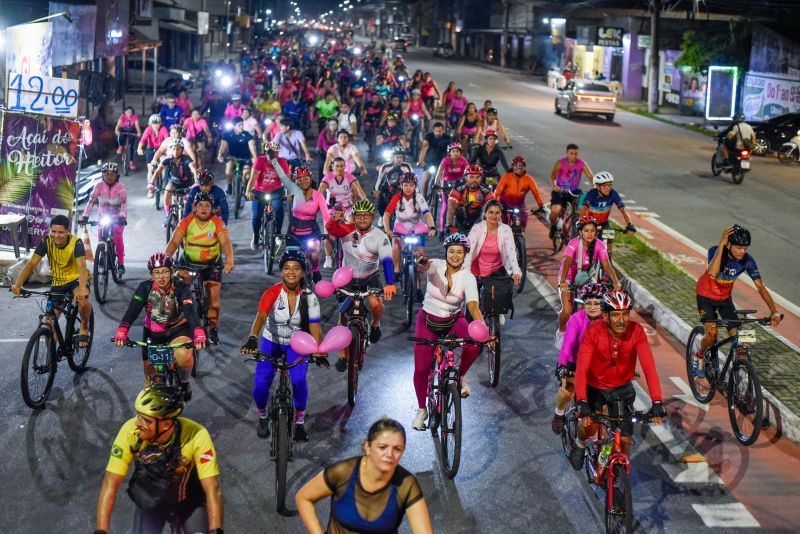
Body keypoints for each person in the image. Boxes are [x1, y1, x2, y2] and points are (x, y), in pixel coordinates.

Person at [94, 384, 223, 534]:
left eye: (146, 420)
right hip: (151, 500)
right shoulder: (130, 431)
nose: (137, 423)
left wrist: (216, 530)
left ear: (166, 424)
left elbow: (212, 489)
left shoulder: (197, 435)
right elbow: (110, 484)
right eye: (138, 415)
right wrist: (101, 531)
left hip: (190, 502)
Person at [569, 291, 665, 470]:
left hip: (622, 388)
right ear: (605, 316)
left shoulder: (637, 331)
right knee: (590, 426)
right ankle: (580, 443)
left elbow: (649, 368)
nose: (621, 320)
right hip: (594, 387)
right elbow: (582, 368)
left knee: (626, 440)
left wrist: (657, 401)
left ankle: (618, 478)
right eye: (615, 315)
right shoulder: (593, 331)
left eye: (625, 314)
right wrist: (582, 400)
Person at [240, 250, 324, 442]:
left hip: (297, 343)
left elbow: (315, 327)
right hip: (271, 342)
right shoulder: (272, 292)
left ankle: (299, 422)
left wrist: (318, 349)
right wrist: (253, 337)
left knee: (299, 381)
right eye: (287, 268)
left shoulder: (310, 297)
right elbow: (261, 316)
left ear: (303, 272)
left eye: (296, 268)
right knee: (260, 385)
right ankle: (262, 415)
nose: (291, 272)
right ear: (281, 272)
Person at [295, 418, 433, 534]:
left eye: (397, 449)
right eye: (382, 447)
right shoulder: (343, 473)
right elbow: (303, 497)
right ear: (367, 447)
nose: (389, 455)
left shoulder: (406, 484)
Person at [412, 234, 488, 430]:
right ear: (446, 252)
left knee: (474, 345)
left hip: (454, 319)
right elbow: (429, 269)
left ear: (465, 256)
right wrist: (423, 263)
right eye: (452, 251)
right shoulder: (436, 264)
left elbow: (472, 305)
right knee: (421, 369)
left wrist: (483, 330)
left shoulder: (468, 277)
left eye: (459, 252)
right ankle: (422, 410)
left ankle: (460, 376)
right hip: (428, 319)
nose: (455, 255)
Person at [691, 225, 782, 377]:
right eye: (739, 247)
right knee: (712, 333)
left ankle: (740, 379)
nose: (742, 251)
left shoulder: (747, 260)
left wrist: (774, 311)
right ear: (729, 244)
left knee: (741, 342)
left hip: (725, 299)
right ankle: (699, 355)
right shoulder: (715, 250)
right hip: (705, 296)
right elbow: (713, 273)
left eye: (745, 248)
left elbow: (761, 287)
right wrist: (721, 244)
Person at [114, 253, 205, 395]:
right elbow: (133, 309)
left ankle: (184, 381)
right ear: (151, 275)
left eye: (164, 272)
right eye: (156, 273)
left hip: (178, 330)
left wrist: (198, 332)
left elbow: (189, 310)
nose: (161, 277)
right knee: (149, 380)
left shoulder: (181, 287)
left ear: (171, 271)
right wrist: (122, 330)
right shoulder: (144, 288)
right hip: (153, 332)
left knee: (184, 357)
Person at [324, 199, 396, 370]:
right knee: (343, 316)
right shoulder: (346, 230)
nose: (362, 219)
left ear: (372, 217)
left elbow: (387, 261)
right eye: (359, 215)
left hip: (369, 277)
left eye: (366, 215)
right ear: (353, 217)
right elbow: (330, 228)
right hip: (346, 278)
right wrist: (334, 218)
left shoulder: (380, 237)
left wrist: (390, 283)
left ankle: (376, 324)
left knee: (375, 303)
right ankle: (343, 355)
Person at [9, 215, 92, 348]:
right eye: (53, 231)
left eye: (61, 232)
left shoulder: (76, 243)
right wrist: (18, 284)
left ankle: (84, 326)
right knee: (49, 324)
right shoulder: (46, 242)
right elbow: (31, 264)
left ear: (68, 232)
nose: (56, 235)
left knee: (83, 299)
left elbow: (82, 267)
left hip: (76, 279)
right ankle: (51, 360)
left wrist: (82, 288)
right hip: (58, 283)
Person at [166, 193, 235, 345]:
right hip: (189, 262)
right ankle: (174, 322)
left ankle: (213, 327)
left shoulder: (217, 222)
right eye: (201, 205)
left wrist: (229, 260)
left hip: (211, 264)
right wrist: (166, 258)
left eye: (207, 205)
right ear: (194, 207)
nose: (204, 208)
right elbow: (174, 242)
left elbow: (226, 243)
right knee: (176, 291)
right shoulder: (186, 221)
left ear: (212, 208)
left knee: (213, 300)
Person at [551, 283, 607, 434]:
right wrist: (563, 366)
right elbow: (567, 345)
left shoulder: (608, 321)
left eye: (597, 303)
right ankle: (559, 412)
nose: (593, 307)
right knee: (568, 391)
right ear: (583, 304)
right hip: (573, 361)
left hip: (596, 363)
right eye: (589, 303)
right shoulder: (576, 319)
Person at [557, 216, 621, 338]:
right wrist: (563, 281)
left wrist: (616, 281)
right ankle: (561, 332)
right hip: (568, 278)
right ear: (580, 232)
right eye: (586, 231)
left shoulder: (600, 245)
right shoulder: (573, 244)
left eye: (592, 230)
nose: (590, 234)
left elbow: (606, 264)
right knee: (567, 310)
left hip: (587, 277)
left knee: (595, 308)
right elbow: (567, 263)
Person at [270, 156, 330, 281]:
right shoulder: (294, 191)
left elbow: (326, 217)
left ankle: (315, 271)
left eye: (306, 178)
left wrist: (327, 233)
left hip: (312, 231)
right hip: (294, 232)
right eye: (299, 180)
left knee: (314, 254)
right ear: (296, 181)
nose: (303, 182)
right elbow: (283, 177)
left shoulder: (318, 195)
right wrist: (274, 161)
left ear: (311, 178)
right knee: (290, 262)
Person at [383, 172, 437, 294]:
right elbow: (386, 215)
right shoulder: (397, 197)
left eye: (411, 185)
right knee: (396, 246)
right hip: (400, 227)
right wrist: (388, 230)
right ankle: (396, 270)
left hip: (417, 228)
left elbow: (427, 214)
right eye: (406, 185)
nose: (408, 188)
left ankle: (417, 288)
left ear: (415, 186)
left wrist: (432, 227)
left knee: (420, 258)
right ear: (401, 186)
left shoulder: (419, 198)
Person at [80, 162, 128, 276]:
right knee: (101, 237)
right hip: (104, 215)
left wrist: (122, 216)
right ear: (102, 175)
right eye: (107, 174)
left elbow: (124, 203)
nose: (109, 177)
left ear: (117, 175)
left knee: (117, 237)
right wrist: (85, 216)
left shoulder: (121, 187)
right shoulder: (98, 186)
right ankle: (101, 254)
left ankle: (120, 263)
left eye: (112, 174)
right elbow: (91, 201)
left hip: (118, 215)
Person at [466, 199, 522, 286]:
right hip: (475, 271)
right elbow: (468, 251)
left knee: (500, 297)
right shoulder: (477, 228)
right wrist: (466, 272)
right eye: (491, 212)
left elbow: (511, 252)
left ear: (500, 214)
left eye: (497, 213)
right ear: (485, 214)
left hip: (496, 270)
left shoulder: (506, 229)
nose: (494, 216)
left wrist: (516, 271)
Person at [247, 142, 290, 250]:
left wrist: (289, 193)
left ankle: (278, 233)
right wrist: (248, 191)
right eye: (270, 154)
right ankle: (256, 236)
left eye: (275, 154)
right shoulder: (259, 160)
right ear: (266, 153)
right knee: (257, 215)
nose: (272, 157)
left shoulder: (282, 162)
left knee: (279, 209)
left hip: (275, 190)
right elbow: (252, 178)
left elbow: (287, 180)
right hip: (259, 191)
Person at [548, 143, 594, 238]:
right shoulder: (560, 163)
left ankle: (580, 229)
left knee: (583, 207)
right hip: (560, 191)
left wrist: (595, 187)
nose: (574, 156)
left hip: (574, 191)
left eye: (576, 153)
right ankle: (553, 226)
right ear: (567, 153)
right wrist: (555, 186)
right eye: (571, 153)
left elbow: (590, 176)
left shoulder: (582, 163)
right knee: (556, 210)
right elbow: (552, 176)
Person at [150, 139, 197, 223]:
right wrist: (151, 183)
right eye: (173, 149)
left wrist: (197, 182)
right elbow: (158, 171)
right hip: (174, 182)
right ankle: (168, 215)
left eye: (178, 149)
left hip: (187, 184)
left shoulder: (186, 159)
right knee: (167, 191)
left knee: (188, 203)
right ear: (170, 149)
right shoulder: (167, 159)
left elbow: (193, 170)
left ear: (182, 150)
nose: (175, 151)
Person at [493, 155, 545, 230]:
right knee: (501, 226)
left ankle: (520, 237)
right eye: (516, 165)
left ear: (524, 167)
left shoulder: (529, 179)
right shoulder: (506, 177)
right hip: (504, 204)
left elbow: (536, 192)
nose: (519, 167)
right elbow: (498, 190)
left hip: (519, 205)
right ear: (513, 167)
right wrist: (494, 202)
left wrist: (541, 205)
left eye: (522, 165)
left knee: (522, 223)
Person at [446, 164, 494, 236]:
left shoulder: (486, 190)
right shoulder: (458, 188)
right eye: (471, 177)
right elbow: (451, 208)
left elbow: (493, 207)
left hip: (478, 219)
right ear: (465, 177)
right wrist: (449, 225)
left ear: (481, 178)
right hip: (460, 219)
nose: (474, 180)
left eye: (477, 177)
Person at [217, 116, 258, 194]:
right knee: (228, 170)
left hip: (245, 158)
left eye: (242, 124)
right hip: (232, 157)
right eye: (239, 125)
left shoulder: (247, 135)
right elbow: (223, 147)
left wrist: (254, 157)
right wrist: (220, 155)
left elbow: (252, 146)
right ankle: (229, 186)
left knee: (247, 175)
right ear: (234, 126)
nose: (241, 126)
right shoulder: (227, 134)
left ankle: (246, 188)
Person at [374, 147, 414, 223]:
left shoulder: (407, 166)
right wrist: (376, 189)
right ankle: (382, 216)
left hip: (401, 187)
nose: (399, 159)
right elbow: (379, 179)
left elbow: (413, 180)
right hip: (388, 186)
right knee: (381, 200)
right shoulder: (385, 166)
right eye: (397, 157)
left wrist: (415, 192)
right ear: (392, 158)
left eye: (401, 157)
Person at [417, 122, 451, 196]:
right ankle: (424, 197)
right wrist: (420, 160)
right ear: (433, 131)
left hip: (441, 164)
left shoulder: (447, 138)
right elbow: (424, 148)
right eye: (436, 131)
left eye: (440, 131)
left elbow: (450, 151)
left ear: (443, 131)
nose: (438, 133)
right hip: (429, 162)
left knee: (439, 182)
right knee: (425, 181)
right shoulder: (429, 136)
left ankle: (438, 197)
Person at [138, 114, 169, 186]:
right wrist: (139, 148)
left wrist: (168, 150)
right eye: (153, 124)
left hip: (161, 149)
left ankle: (163, 179)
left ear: (161, 123)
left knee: (163, 164)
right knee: (150, 169)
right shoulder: (148, 129)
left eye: (157, 123)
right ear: (150, 124)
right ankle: (150, 188)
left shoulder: (163, 129)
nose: (155, 125)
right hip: (151, 149)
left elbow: (167, 139)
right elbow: (143, 140)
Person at [115, 106, 141, 171]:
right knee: (120, 136)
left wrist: (139, 132)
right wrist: (117, 130)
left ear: (132, 113)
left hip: (132, 131)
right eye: (127, 112)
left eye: (130, 112)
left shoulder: (135, 117)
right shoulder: (122, 116)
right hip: (123, 130)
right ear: (125, 112)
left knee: (132, 146)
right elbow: (118, 126)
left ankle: (131, 162)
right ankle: (121, 147)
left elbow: (137, 126)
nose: (129, 113)